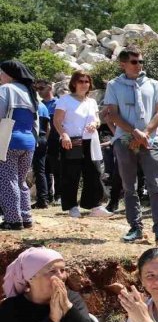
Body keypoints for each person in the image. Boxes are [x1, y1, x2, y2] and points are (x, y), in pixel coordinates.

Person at [104, 46, 158, 244]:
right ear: (123, 64)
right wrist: (134, 132)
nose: (139, 65)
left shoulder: (153, 84)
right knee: (129, 186)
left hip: (151, 140)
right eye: (134, 62)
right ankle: (135, 227)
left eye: (141, 61)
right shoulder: (114, 85)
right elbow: (113, 113)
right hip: (124, 141)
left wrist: (146, 133)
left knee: (155, 184)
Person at [0, 247, 96, 322]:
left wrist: (67, 307)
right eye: (52, 271)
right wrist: (52, 321)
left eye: (62, 270)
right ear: (30, 278)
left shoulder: (72, 299)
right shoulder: (12, 307)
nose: (61, 276)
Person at [54, 71, 112, 219]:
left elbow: (97, 120)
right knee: (71, 174)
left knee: (94, 172)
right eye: (81, 81)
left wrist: (95, 124)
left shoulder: (91, 101)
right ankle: (72, 206)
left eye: (87, 81)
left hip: (91, 141)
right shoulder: (65, 100)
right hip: (72, 140)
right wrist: (64, 135)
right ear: (74, 83)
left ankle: (94, 205)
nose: (84, 84)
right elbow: (57, 120)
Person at [0, 59, 39, 230]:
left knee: (8, 180)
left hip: (9, 140)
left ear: (9, 74)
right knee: (21, 181)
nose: (0, 76)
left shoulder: (6, 89)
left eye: (1, 72)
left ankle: (13, 220)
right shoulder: (31, 92)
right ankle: (26, 216)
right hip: (28, 141)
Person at [35, 79, 60, 206]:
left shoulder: (58, 103)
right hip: (44, 142)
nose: (39, 91)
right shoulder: (40, 104)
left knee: (57, 168)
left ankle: (59, 196)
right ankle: (48, 196)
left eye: (41, 88)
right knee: (45, 170)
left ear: (49, 87)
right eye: (37, 89)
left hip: (56, 140)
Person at [31, 80, 53, 209]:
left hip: (33, 138)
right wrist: (45, 140)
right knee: (41, 170)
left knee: (35, 170)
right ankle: (43, 199)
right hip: (43, 138)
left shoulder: (32, 105)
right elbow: (48, 127)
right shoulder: (43, 106)